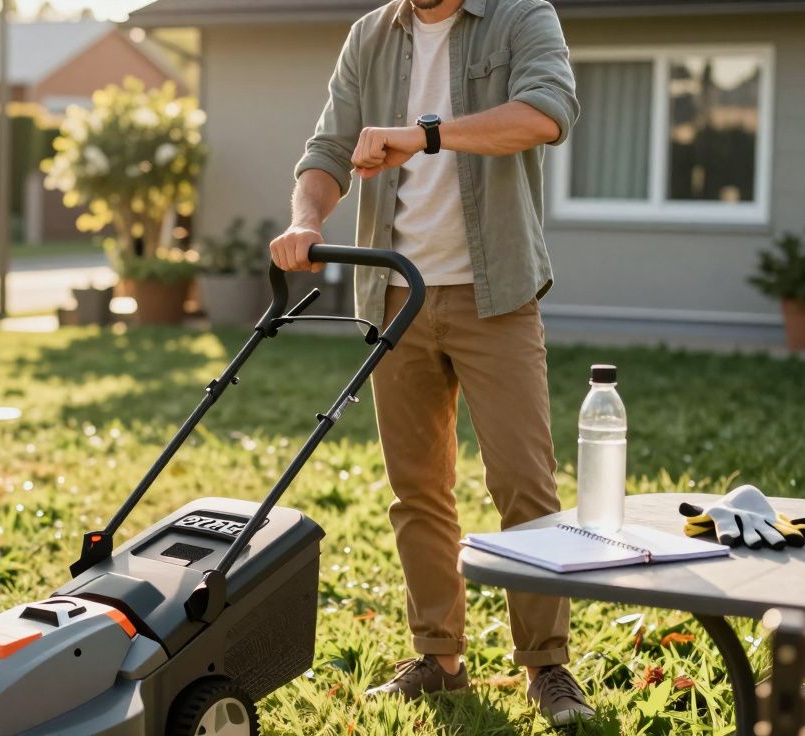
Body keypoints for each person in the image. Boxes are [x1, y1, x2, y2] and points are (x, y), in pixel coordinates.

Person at [267, 0, 592, 725]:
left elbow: (546, 113)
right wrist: (304, 220)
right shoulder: (370, 35)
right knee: (416, 486)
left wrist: (424, 134)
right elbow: (328, 150)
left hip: (496, 290)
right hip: (395, 294)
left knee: (524, 482)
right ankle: (439, 659)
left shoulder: (521, 16)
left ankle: (546, 665)